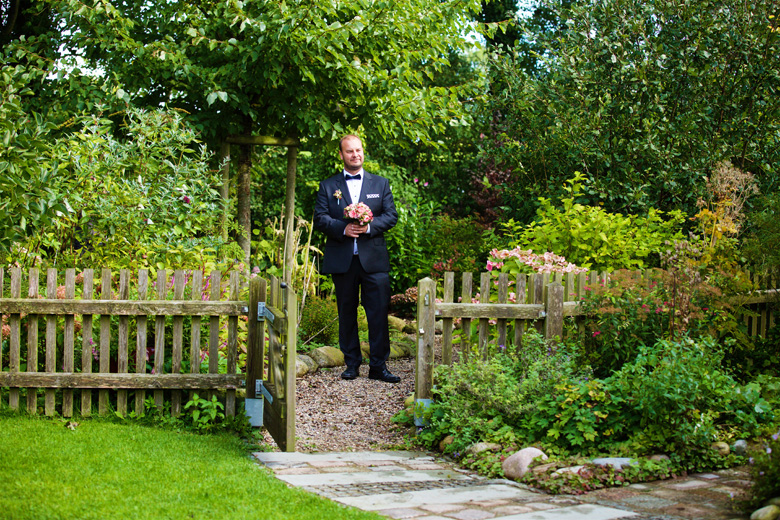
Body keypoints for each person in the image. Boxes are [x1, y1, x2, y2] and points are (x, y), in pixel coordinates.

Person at [313, 135, 400, 383]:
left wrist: (368, 227)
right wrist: (343, 228)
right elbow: (320, 218)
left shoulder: (380, 183)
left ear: (363, 151)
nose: (355, 155)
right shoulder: (328, 186)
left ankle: (378, 366)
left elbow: (391, 215)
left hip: (374, 260)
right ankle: (351, 364)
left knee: (378, 314)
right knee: (347, 313)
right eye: (349, 151)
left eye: (358, 150)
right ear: (341, 155)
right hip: (343, 260)